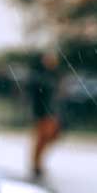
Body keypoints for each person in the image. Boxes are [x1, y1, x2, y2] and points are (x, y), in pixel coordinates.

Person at [28, 48, 64, 179]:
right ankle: (36, 164)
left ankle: (37, 163)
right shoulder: (40, 76)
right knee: (42, 138)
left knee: (50, 137)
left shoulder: (55, 75)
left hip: (52, 112)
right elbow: (37, 95)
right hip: (43, 112)